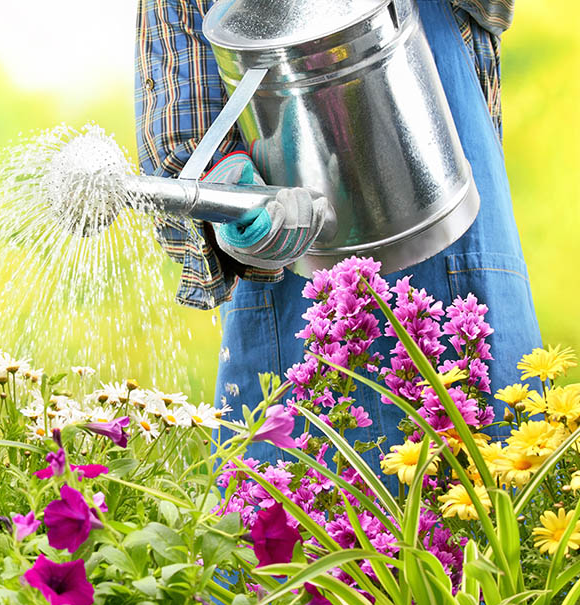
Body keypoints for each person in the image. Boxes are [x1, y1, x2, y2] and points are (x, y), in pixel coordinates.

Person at [135, 0, 542, 463]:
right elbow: (180, 124)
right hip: (294, 289)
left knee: (490, 507)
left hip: (458, 253)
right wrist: (229, 197)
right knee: (301, 515)